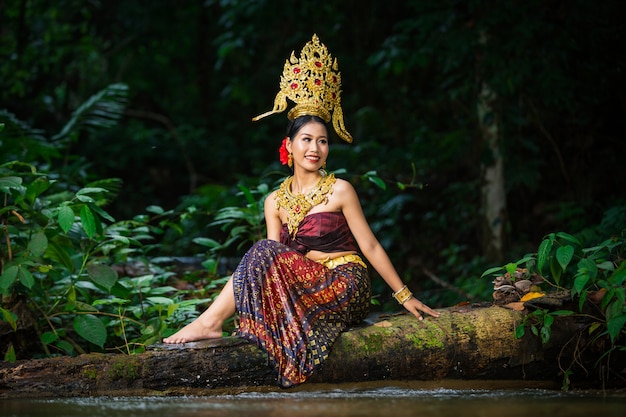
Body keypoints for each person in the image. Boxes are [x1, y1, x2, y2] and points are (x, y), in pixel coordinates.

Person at [163, 34, 440, 387]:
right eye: (307, 139)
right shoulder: (274, 201)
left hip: (345, 287)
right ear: (289, 146)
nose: (315, 148)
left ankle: (210, 321)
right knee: (263, 252)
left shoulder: (340, 190)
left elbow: (369, 247)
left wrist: (405, 296)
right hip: (303, 287)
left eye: (322, 141)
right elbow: (271, 264)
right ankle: (213, 323)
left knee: (262, 250)